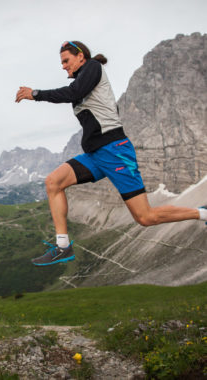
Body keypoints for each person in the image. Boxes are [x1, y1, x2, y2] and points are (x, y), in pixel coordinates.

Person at [15, 40, 207, 266]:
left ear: (80, 57)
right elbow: (85, 98)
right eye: (61, 62)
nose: (63, 66)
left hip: (115, 151)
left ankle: (202, 213)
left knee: (145, 217)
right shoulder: (83, 82)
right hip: (96, 155)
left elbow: (72, 92)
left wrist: (35, 94)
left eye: (66, 61)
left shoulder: (93, 68)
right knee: (53, 182)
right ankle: (63, 246)